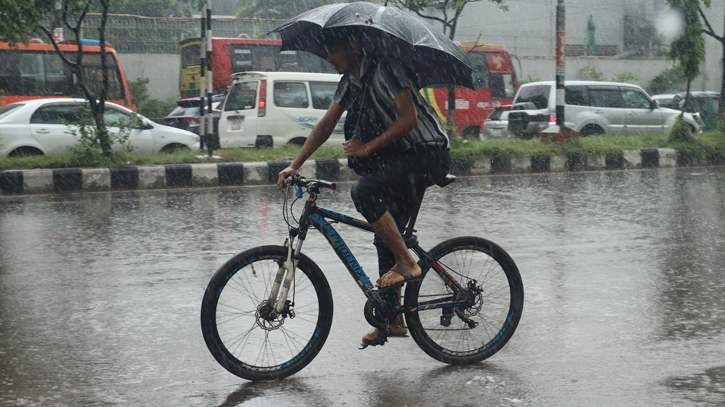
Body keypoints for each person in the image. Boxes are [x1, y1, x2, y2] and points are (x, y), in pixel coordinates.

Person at [276, 28, 451, 349]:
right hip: (402, 157)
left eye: (332, 51)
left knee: (363, 193)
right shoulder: (351, 81)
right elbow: (326, 123)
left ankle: (409, 263)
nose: (328, 58)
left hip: (427, 153)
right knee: (385, 235)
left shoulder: (386, 68)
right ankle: (393, 319)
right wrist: (295, 165)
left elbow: (410, 118)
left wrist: (368, 148)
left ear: (352, 48)